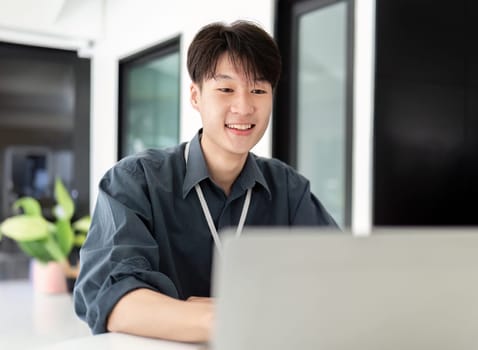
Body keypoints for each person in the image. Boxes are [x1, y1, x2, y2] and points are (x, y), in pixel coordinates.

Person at [73, 20, 338, 343]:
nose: (243, 106)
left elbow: (337, 283)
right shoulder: (136, 180)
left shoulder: (288, 188)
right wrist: (225, 316)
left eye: (258, 90)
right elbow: (115, 301)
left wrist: (186, 311)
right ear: (196, 96)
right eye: (226, 89)